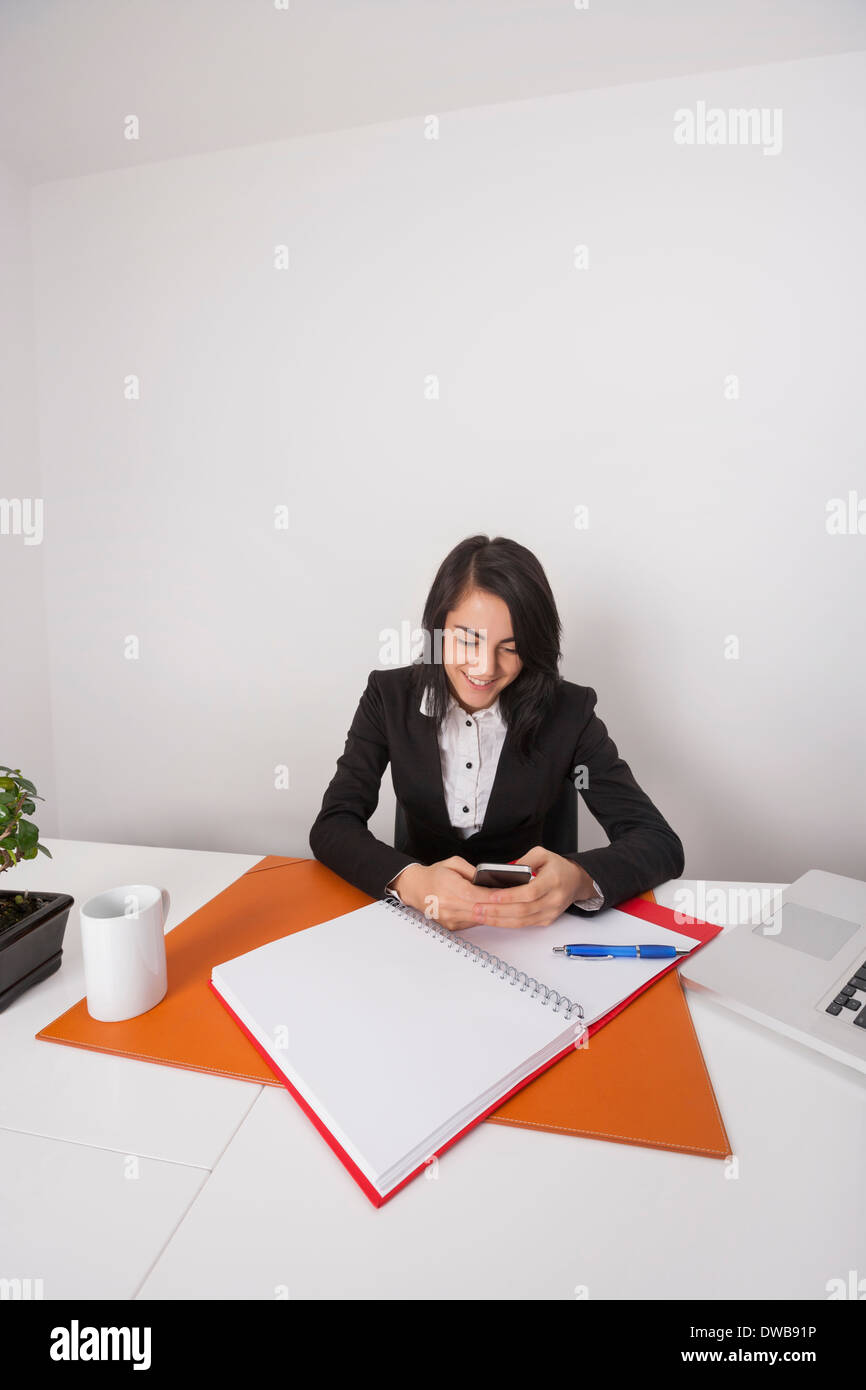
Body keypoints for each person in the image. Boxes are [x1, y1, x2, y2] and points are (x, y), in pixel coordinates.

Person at [309, 534, 684, 931]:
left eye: (511, 647)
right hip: (420, 925)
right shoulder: (388, 697)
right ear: (437, 630)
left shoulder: (570, 712)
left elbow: (658, 841)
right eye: (467, 640)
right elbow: (334, 824)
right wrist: (412, 882)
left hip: (536, 931)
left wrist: (578, 879)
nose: (485, 667)